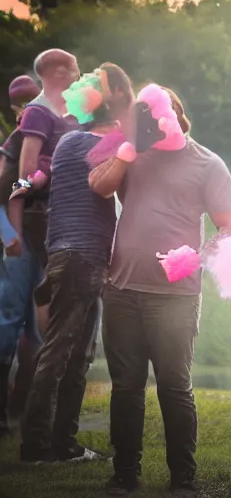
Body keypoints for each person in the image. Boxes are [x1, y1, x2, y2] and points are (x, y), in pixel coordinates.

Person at [89, 86, 231, 497]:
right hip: (121, 289)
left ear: (179, 116)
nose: (156, 122)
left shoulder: (208, 164)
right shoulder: (132, 154)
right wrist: (126, 151)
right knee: (126, 387)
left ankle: (183, 480)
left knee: (174, 387)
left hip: (175, 296)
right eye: (147, 115)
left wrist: (199, 256)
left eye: (163, 113)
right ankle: (124, 475)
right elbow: (100, 187)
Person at [20, 63, 134, 464]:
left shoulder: (69, 140)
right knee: (61, 352)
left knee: (77, 354)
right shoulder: (105, 143)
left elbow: (37, 182)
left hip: (65, 255)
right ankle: (36, 446)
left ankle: (63, 445)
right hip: (83, 257)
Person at [0, 69, 71, 438]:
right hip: (19, 241)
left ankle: (24, 409)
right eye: (23, 105)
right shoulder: (17, 141)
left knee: (39, 328)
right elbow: (9, 190)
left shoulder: (58, 133)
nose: (29, 110)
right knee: (10, 320)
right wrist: (9, 234)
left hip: (48, 239)